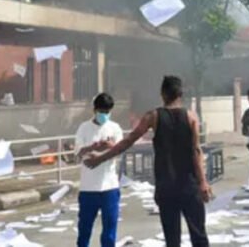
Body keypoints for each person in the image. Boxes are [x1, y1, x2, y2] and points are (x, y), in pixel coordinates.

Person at [85, 76, 211, 247]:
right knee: (199, 236)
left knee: (172, 239)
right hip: (189, 185)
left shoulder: (153, 116)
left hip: (166, 187)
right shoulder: (191, 117)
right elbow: (196, 151)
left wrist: (100, 158)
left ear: (162, 94)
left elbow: (127, 142)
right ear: (180, 94)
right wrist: (203, 182)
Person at [74, 93, 124, 247]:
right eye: (101, 111)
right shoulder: (84, 128)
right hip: (88, 187)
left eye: (107, 112)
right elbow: (78, 152)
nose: (104, 115)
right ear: (94, 110)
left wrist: (110, 146)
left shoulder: (115, 128)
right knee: (84, 229)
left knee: (109, 230)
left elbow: (121, 150)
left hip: (109, 186)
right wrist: (92, 147)